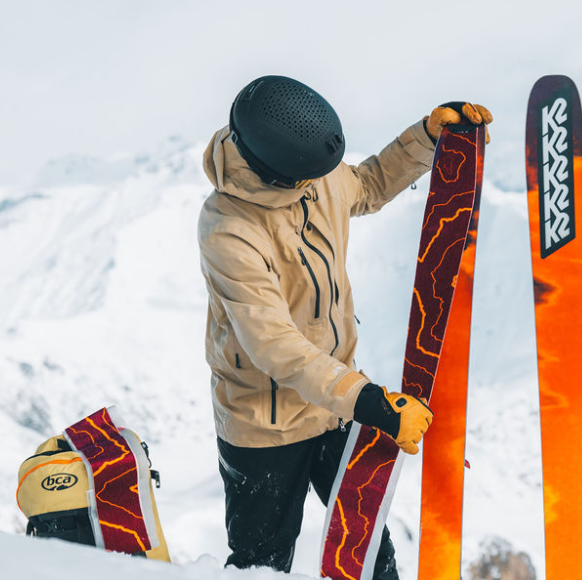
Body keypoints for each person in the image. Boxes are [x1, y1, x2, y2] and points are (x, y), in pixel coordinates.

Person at [197, 74, 492, 578]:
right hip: (265, 427)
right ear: (281, 175)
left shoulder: (313, 176)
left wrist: (426, 136)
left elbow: (369, 184)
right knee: (260, 567)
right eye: (309, 178)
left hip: (336, 407)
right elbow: (273, 345)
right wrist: (368, 400)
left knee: (370, 551)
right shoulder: (230, 230)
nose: (321, 184)